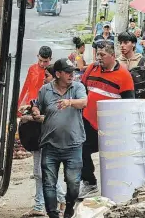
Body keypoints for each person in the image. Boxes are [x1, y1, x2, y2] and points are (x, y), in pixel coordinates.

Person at [79, 40, 135, 198]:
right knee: (80, 149)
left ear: (113, 55)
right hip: (87, 121)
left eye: (102, 55)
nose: (98, 58)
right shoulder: (91, 68)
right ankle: (89, 183)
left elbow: (129, 104)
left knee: (112, 159)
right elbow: (81, 90)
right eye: (97, 54)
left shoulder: (124, 75)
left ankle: (118, 190)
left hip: (111, 127)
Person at [34, 58, 88, 218]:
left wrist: (69, 102)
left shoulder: (77, 87)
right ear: (57, 74)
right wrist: (36, 110)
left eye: (73, 72)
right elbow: (38, 105)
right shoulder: (45, 90)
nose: (71, 75)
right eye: (67, 72)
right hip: (50, 145)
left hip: (74, 144)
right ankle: (53, 215)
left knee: (73, 185)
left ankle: (69, 208)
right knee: (49, 183)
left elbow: (84, 103)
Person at [19, 64, 67, 217]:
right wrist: (29, 107)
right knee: (40, 173)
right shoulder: (46, 91)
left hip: (49, 138)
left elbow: (54, 117)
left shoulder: (59, 95)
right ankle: (40, 205)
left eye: (46, 76)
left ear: (56, 76)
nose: (44, 78)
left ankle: (61, 198)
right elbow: (38, 106)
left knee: (43, 172)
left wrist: (28, 118)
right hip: (41, 137)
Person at [17, 46, 52, 117]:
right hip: (30, 103)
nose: (42, 63)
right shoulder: (32, 69)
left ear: (50, 59)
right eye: (40, 60)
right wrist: (19, 104)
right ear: (37, 56)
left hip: (45, 104)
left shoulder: (53, 71)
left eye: (45, 61)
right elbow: (26, 87)